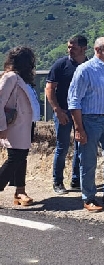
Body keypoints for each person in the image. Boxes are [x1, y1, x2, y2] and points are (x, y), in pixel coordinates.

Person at [67, 37, 104, 212]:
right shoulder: (85, 70)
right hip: (90, 119)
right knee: (88, 160)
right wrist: (78, 128)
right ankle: (89, 197)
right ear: (98, 50)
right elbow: (74, 100)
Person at [46, 35, 88, 195]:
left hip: (83, 113)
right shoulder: (61, 64)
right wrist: (57, 110)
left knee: (81, 146)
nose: (70, 50)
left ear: (83, 49)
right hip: (63, 111)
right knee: (62, 147)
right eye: (69, 47)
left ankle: (76, 180)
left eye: (73, 47)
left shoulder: (89, 65)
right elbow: (49, 88)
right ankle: (57, 182)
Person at [0, 46, 39, 206]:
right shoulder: (10, 77)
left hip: (25, 124)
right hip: (15, 125)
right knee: (15, 158)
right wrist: (1, 127)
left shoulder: (22, 79)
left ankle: (20, 192)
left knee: (21, 157)